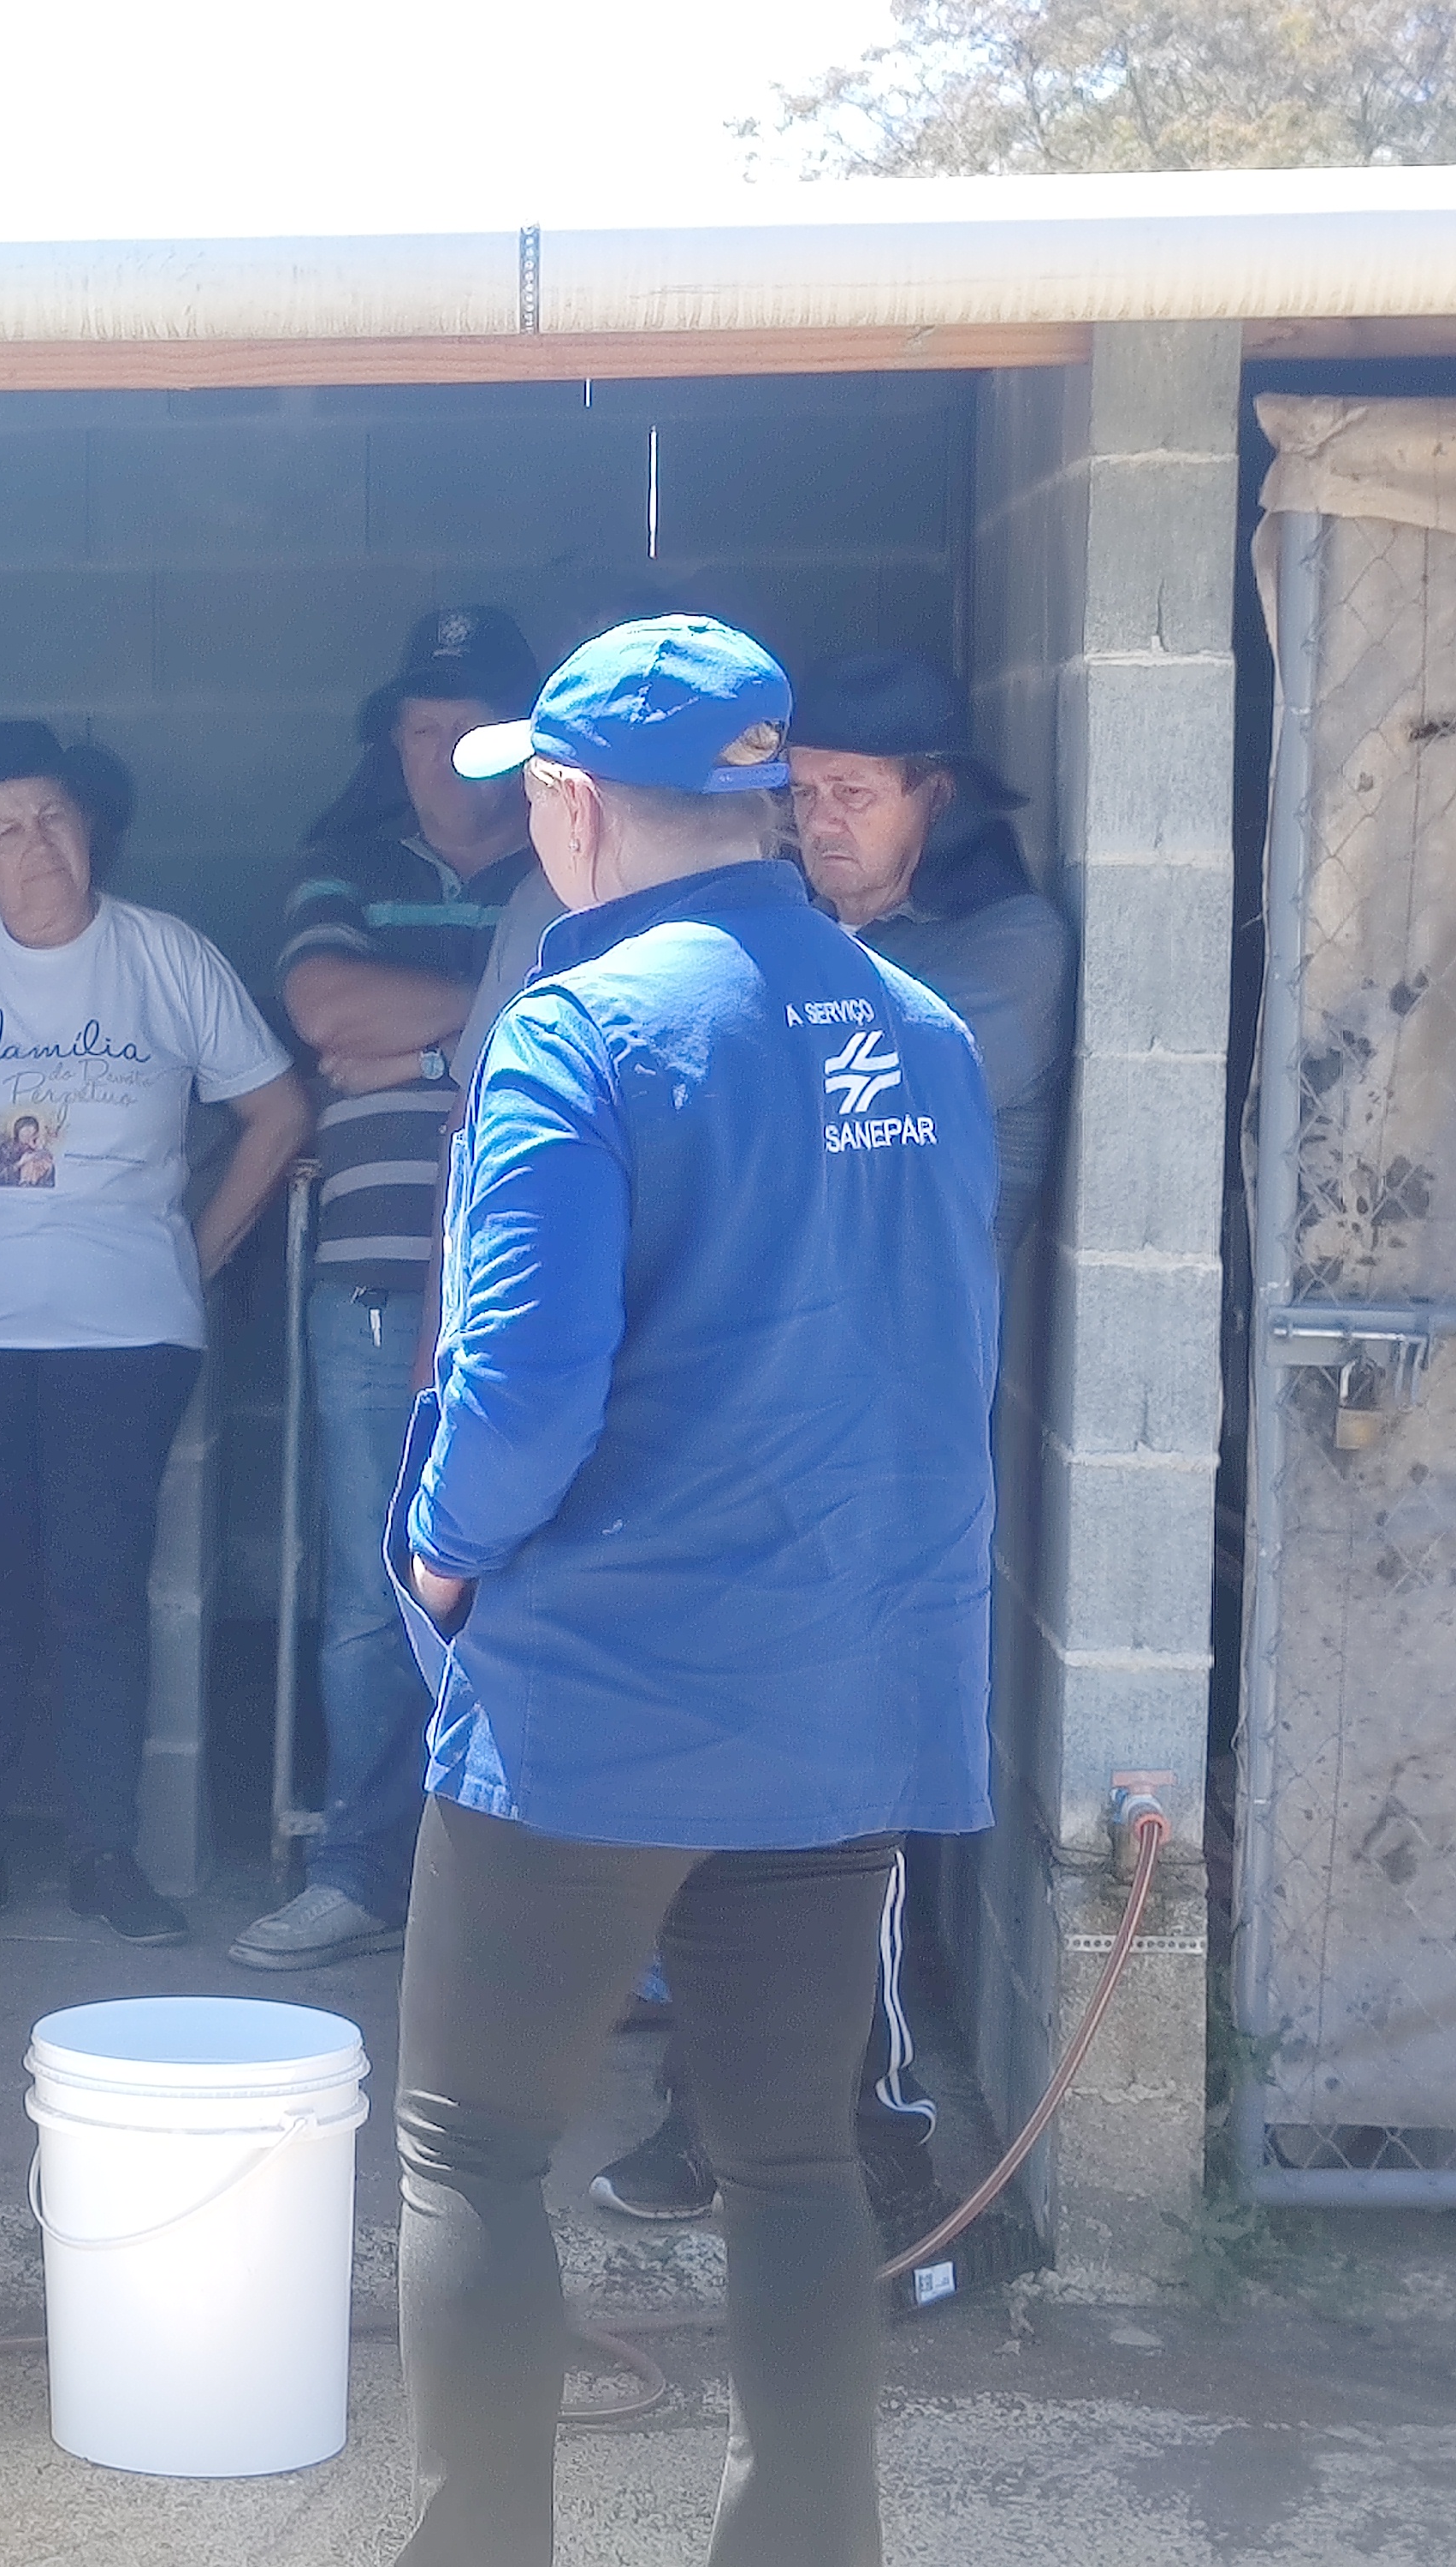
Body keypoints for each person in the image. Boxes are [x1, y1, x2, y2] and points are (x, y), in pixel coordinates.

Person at [382, 618, 997, 2565]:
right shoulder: (923, 1028)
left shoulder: (574, 1029)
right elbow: (932, 1360)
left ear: (568, 805)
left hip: (594, 1697)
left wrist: (441, 1546)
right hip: (835, 1698)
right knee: (793, 2154)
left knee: (470, 2138)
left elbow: (521, 1381)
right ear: (757, 791)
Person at [590, 648, 1074, 2240]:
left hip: (885, 1455)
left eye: (856, 796)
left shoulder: (993, 952)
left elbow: (818, 1122)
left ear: (942, 794)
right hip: (760, 1440)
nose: (822, 827)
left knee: (836, 1830)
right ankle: (712, 2122)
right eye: (796, 798)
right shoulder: (785, 958)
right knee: (736, 1817)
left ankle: (885, 2163)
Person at [0, 723, 305, 1946]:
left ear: (91, 826)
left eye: (52, 814)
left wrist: (194, 1254)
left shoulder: (165, 957)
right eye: (5, 825)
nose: (34, 841)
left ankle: (109, 1851)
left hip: (125, 1332)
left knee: (101, 1591)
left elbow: (275, 1111)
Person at [234, 605, 543, 1976]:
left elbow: (577, 1006)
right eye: (419, 729)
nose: (440, 753)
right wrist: (484, 1030)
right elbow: (321, 1014)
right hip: (374, 1279)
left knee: (531, 1579)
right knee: (376, 1592)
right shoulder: (343, 862)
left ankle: (503, 1888)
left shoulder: (567, 862)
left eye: (468, 729)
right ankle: (365, 1870)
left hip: (539, 1272)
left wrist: (426, 1055)